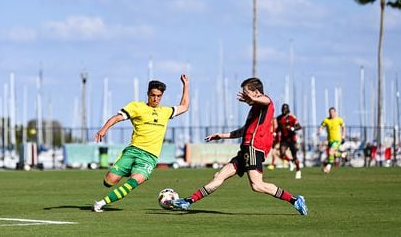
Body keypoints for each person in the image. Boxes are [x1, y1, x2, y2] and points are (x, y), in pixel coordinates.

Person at [171, 77, 308, 215]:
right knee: (219, 176)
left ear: (256, 92)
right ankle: (188, 201)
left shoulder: (266, 102)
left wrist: (252, 99)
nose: (244, 96)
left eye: (246, 93)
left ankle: (295, 200)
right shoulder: (254, 109)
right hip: (245, 150)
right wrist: (221, 135)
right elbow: (244, 131)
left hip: (254, 148)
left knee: (257, 185)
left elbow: (266, 100)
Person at [92, 75, 189, 212]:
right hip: (133, 151)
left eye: (159, 96)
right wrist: (104, 129)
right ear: (148, 94)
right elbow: (118, 117)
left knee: (134, 181)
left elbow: (184, 106)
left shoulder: (165, 112)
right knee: (109, 181)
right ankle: (127, 171)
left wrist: (186, 85)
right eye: (153, 95)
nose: (155, 99)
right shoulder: (137, 106)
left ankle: (101, 203)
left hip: (149, 157)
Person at [276, 103, 302, 179]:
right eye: (283, 109)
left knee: (295, 156)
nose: (284, 111)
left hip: (292, 139)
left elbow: (299, 126)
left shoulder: (292, 117)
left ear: (288, 109)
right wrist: (275, 133)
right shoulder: (279, 118)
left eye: (285, 109)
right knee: (282, 153)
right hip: (284, 139)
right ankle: (290, 161)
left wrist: (293, 128)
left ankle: (298, 170)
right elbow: (279, 128)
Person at [317, 107, 346, 173]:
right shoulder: (326, 120)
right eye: (330, 112)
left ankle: (328, 167)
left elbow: (344, 127)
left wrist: (343, 136)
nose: (331, 114)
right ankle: (342, 155)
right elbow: (321, 126)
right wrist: (319, 130)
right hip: (330, 140)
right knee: (332, 153)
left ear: (335, 112)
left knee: (331, 151)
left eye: (332, 112)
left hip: (337, 140)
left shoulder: (339, 120)